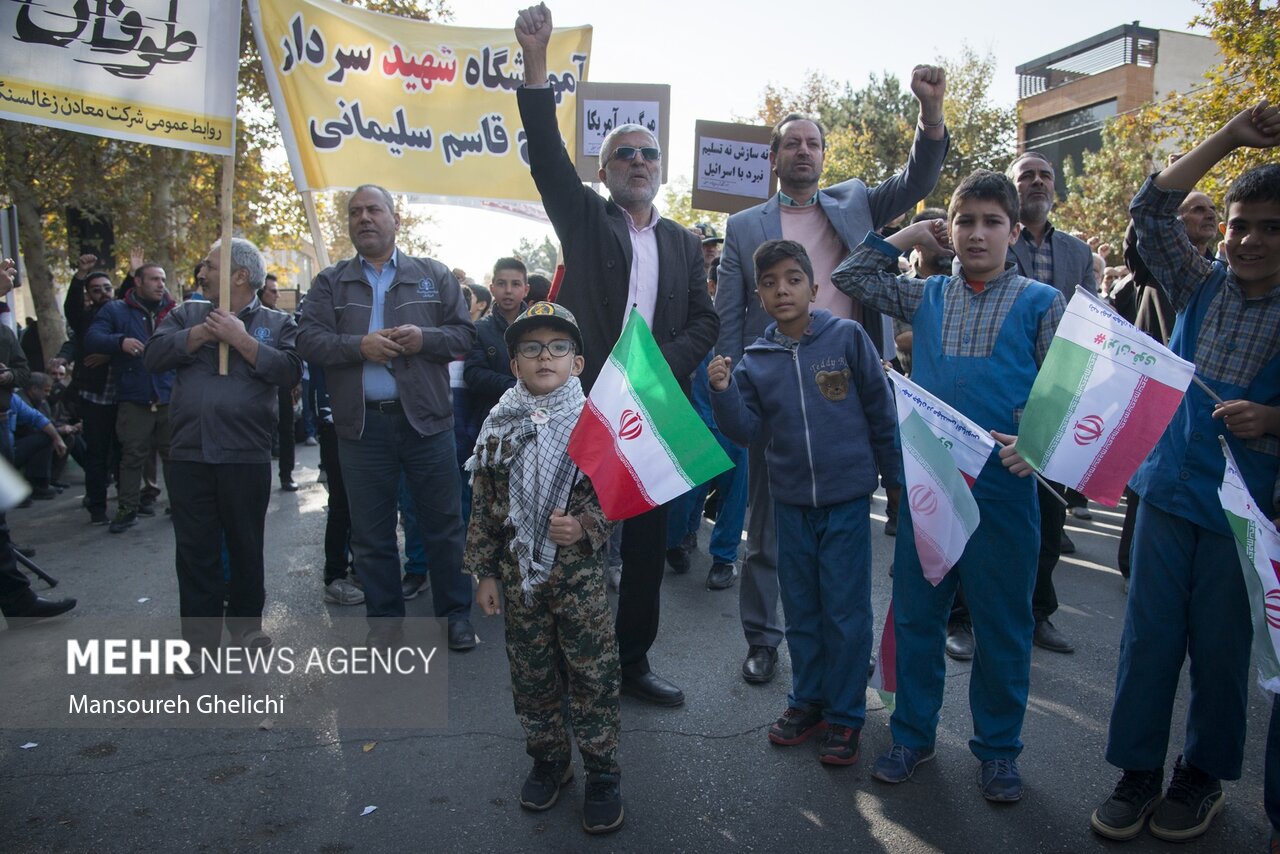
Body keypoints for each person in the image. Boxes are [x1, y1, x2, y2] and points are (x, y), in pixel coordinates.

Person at [832, 169, 1066, 802]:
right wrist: (907, 231)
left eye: (993, 222)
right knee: (917, 614)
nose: (978, 234)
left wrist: (1037, 445)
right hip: (930, 480)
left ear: (1015, 231)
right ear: (950, 230)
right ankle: (911, 736)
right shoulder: (926, 295)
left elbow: (1063, 393)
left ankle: (998, 751)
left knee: (1002, 623)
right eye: (966, 221)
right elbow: (849, 277)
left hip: (1003, 490)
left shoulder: (1042, 302)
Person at [515, 4, 718, 707]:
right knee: (575, 544)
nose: (638, 161)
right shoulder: (584, 217)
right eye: (625, 154)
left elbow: (706, 320)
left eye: (649, 154)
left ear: (661, 170)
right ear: (604, 172)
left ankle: (633, 663)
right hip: (584, 407)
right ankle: (574, 664)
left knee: (643, 549)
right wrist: (535, 61)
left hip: (655, 408)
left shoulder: (685, 243)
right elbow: (544, 150)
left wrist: (658, 366)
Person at [715, 72, 946, 686]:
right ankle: (763, 639)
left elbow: (919, 180)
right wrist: (733, 387)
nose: (804, 152)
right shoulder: (744, 228)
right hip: (775, 387)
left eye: (813, 143)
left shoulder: (855, 203)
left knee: (845, 533)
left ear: (823, 155)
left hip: (847, 381)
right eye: (792, 143)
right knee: (766, 527)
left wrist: (931, 110)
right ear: (774, 158)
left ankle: (845, 646)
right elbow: (731, 316)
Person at [1090, 101, 1280, 844]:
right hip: (1168, 493)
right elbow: (1152, 209)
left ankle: (1200, 776)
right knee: (1149, 639)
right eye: (1239, 224)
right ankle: (1137, 770)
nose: (1251, 240)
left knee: (1222, 650)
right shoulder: (1198, 283)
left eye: (1271, 227)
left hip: (1249, 513)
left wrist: (1272, 421)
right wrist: (1229, 134)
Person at [710, 239, 896, 765]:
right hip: (790, 502)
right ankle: (806, 701)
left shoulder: (847, 337)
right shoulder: (756, 359)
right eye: (768, 283)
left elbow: (881, 413)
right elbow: (745, 430)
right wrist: (723, 391)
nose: (781, 290)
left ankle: (845, 715)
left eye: (793, 279)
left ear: (814, 288)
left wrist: (897, 485)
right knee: (803, 607)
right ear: (758, 297)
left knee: (845, 608)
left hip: (846, 501)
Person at [297, 184, 478, 650]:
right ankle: (385, 625)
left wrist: (424, 338)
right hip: (361, 428)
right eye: (355, 212)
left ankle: (455, 616)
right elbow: (308, 341)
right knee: (372, 534)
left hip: (427, 422)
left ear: (395, 218)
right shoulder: (330, 282)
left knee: (443, 527)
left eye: (373, 209)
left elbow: (464, 337)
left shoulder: (433, 275)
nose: (364, 218)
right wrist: (359, 346)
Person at [468, 301, 623, 834]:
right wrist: (485, 572)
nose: (544, 357)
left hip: (577, 580)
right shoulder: (498, 425)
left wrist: (584, 527)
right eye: (531, 348)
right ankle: (549, 759)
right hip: (520, 578)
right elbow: (486, 505)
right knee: (532, 673)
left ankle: (602, 770)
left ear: (577, 363)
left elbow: (615, 494)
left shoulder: (594, 425)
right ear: (514, 364)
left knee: (591, 672)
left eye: (558, 347)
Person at [145, 238, 301, 656]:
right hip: (189, 454)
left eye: (210, 267)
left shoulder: (276, 321)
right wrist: (200, 334)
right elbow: (154, 356)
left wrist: (242, 340)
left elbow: (289, 371)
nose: (201, 273)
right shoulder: (186, 313)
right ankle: (197, 644)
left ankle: (247, 627)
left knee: (245, 545)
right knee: (196, 551)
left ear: (239, 275)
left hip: (245, 455)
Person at [1006, 150, 1098, 655]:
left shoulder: (1078, 253)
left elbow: (1093, 319)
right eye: (1027, 176)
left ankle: (1039, 613)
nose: (1037, 182)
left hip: (1058, 400)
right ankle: (962, 617)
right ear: (1011, 187)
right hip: (1003, 396)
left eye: (1045, 175)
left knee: (1047, 517)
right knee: (985, 515)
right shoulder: (992, 236)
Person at [665, 258, 747, 591]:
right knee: (685, 493)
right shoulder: (696, 322)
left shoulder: (755, 325)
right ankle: (679, 537)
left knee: (734, 492)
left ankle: (724, 558)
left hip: (738, 427)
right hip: (696, 424)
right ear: (711, 287)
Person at [85, 261, 174, 534]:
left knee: (174, 455)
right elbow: (92, 338)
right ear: (137, 282)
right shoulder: (116, 310)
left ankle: (181, 504)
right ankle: (127, 509)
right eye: (154, 279)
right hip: (135, 398)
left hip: (169, 395)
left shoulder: (172, 312)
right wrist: (119, 342)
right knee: (132, 456)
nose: (160, 284)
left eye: (162, 279)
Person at [464, 257, 530, 431]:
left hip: (533, 417)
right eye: (501, 284)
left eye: (515, 284)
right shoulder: (479, 329)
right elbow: (473, 374)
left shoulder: (538, 327)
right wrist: (515, 386)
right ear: (492, 288)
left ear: (526, 289)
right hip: (493, 419)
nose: (508, 290)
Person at [260, 273, 300, 491]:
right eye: (272, 290)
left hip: (281, 384)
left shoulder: (283, 319)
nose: (277, 295)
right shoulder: (247, 319)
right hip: (258, 385)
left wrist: (296, 382)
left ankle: (287, 474)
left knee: (287, 428)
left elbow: (293, 354)